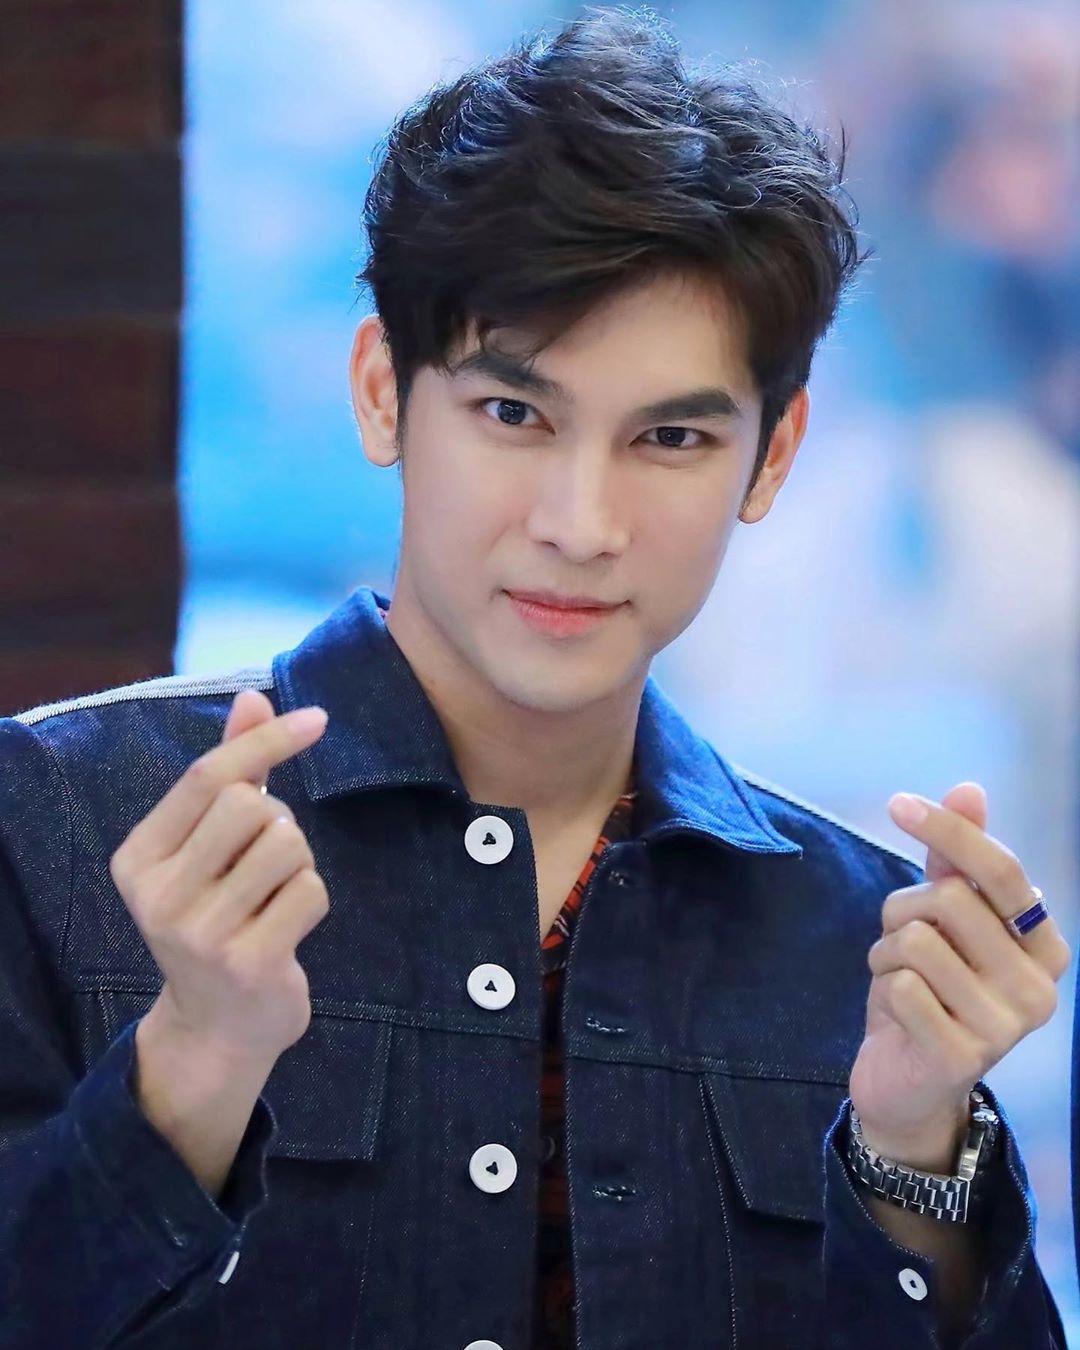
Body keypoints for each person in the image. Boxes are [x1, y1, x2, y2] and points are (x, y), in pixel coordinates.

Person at [0, 6, 1070, 1348]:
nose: (581, 522)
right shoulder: (59, 819)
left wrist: (912, 1151)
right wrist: (193, 1064)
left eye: (670, 438)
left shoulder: (859, 934)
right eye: (514, 413)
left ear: (774, 456)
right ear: (383, 392)